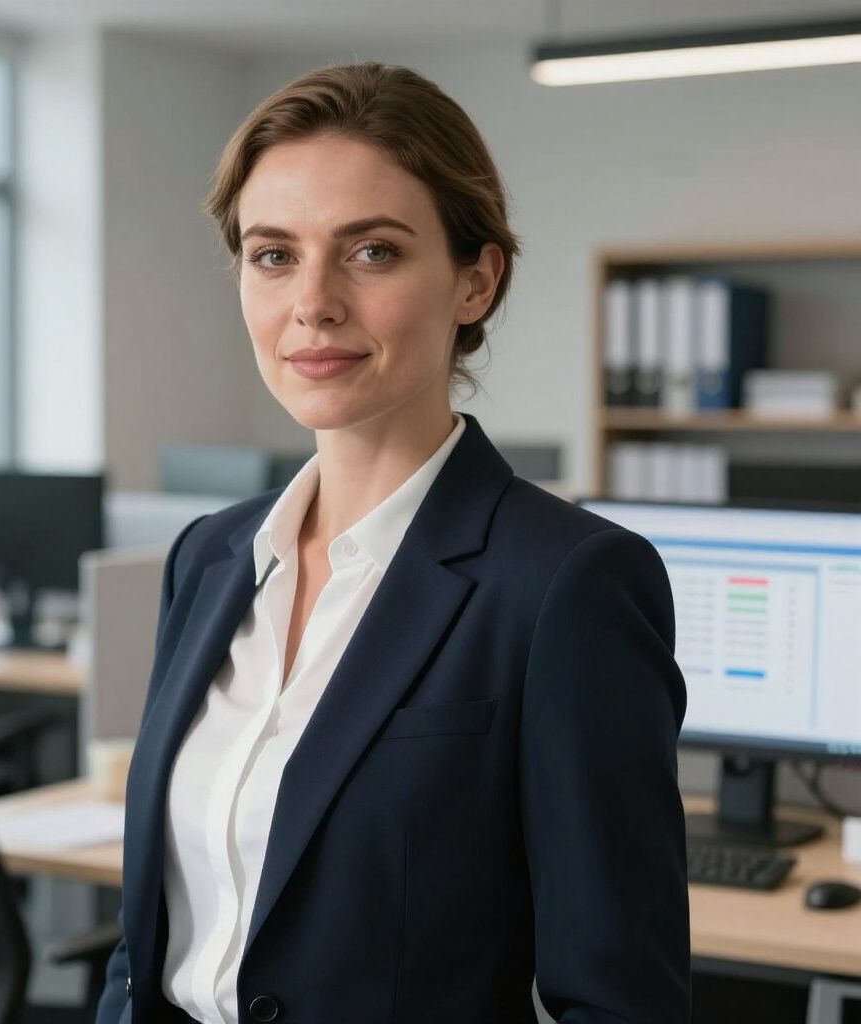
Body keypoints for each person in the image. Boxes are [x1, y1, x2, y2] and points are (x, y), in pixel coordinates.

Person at [96, 61, 689, 1024]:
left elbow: (622, 1002)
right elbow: (150, 945)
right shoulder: (207, 560)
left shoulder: (565, 586)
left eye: (371, 253)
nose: (313, 302)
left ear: (475, 280)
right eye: (273, 254)